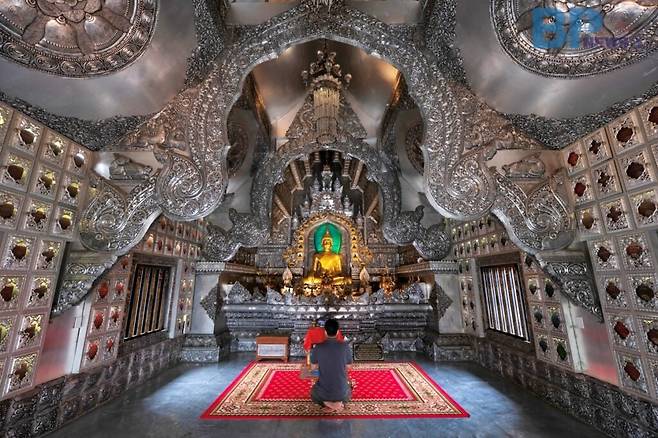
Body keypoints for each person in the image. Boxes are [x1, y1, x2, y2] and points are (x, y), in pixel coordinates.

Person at [310, 318, 353, 412]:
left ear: (325, 332)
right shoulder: (345, 346)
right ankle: (337, 404)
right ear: (337, 332)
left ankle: (328, 404)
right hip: (343, 394)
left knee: (313, 394)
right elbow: (349, 367)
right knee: (349, 391)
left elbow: (313, 368)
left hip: (323, 394)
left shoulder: (318, 347)